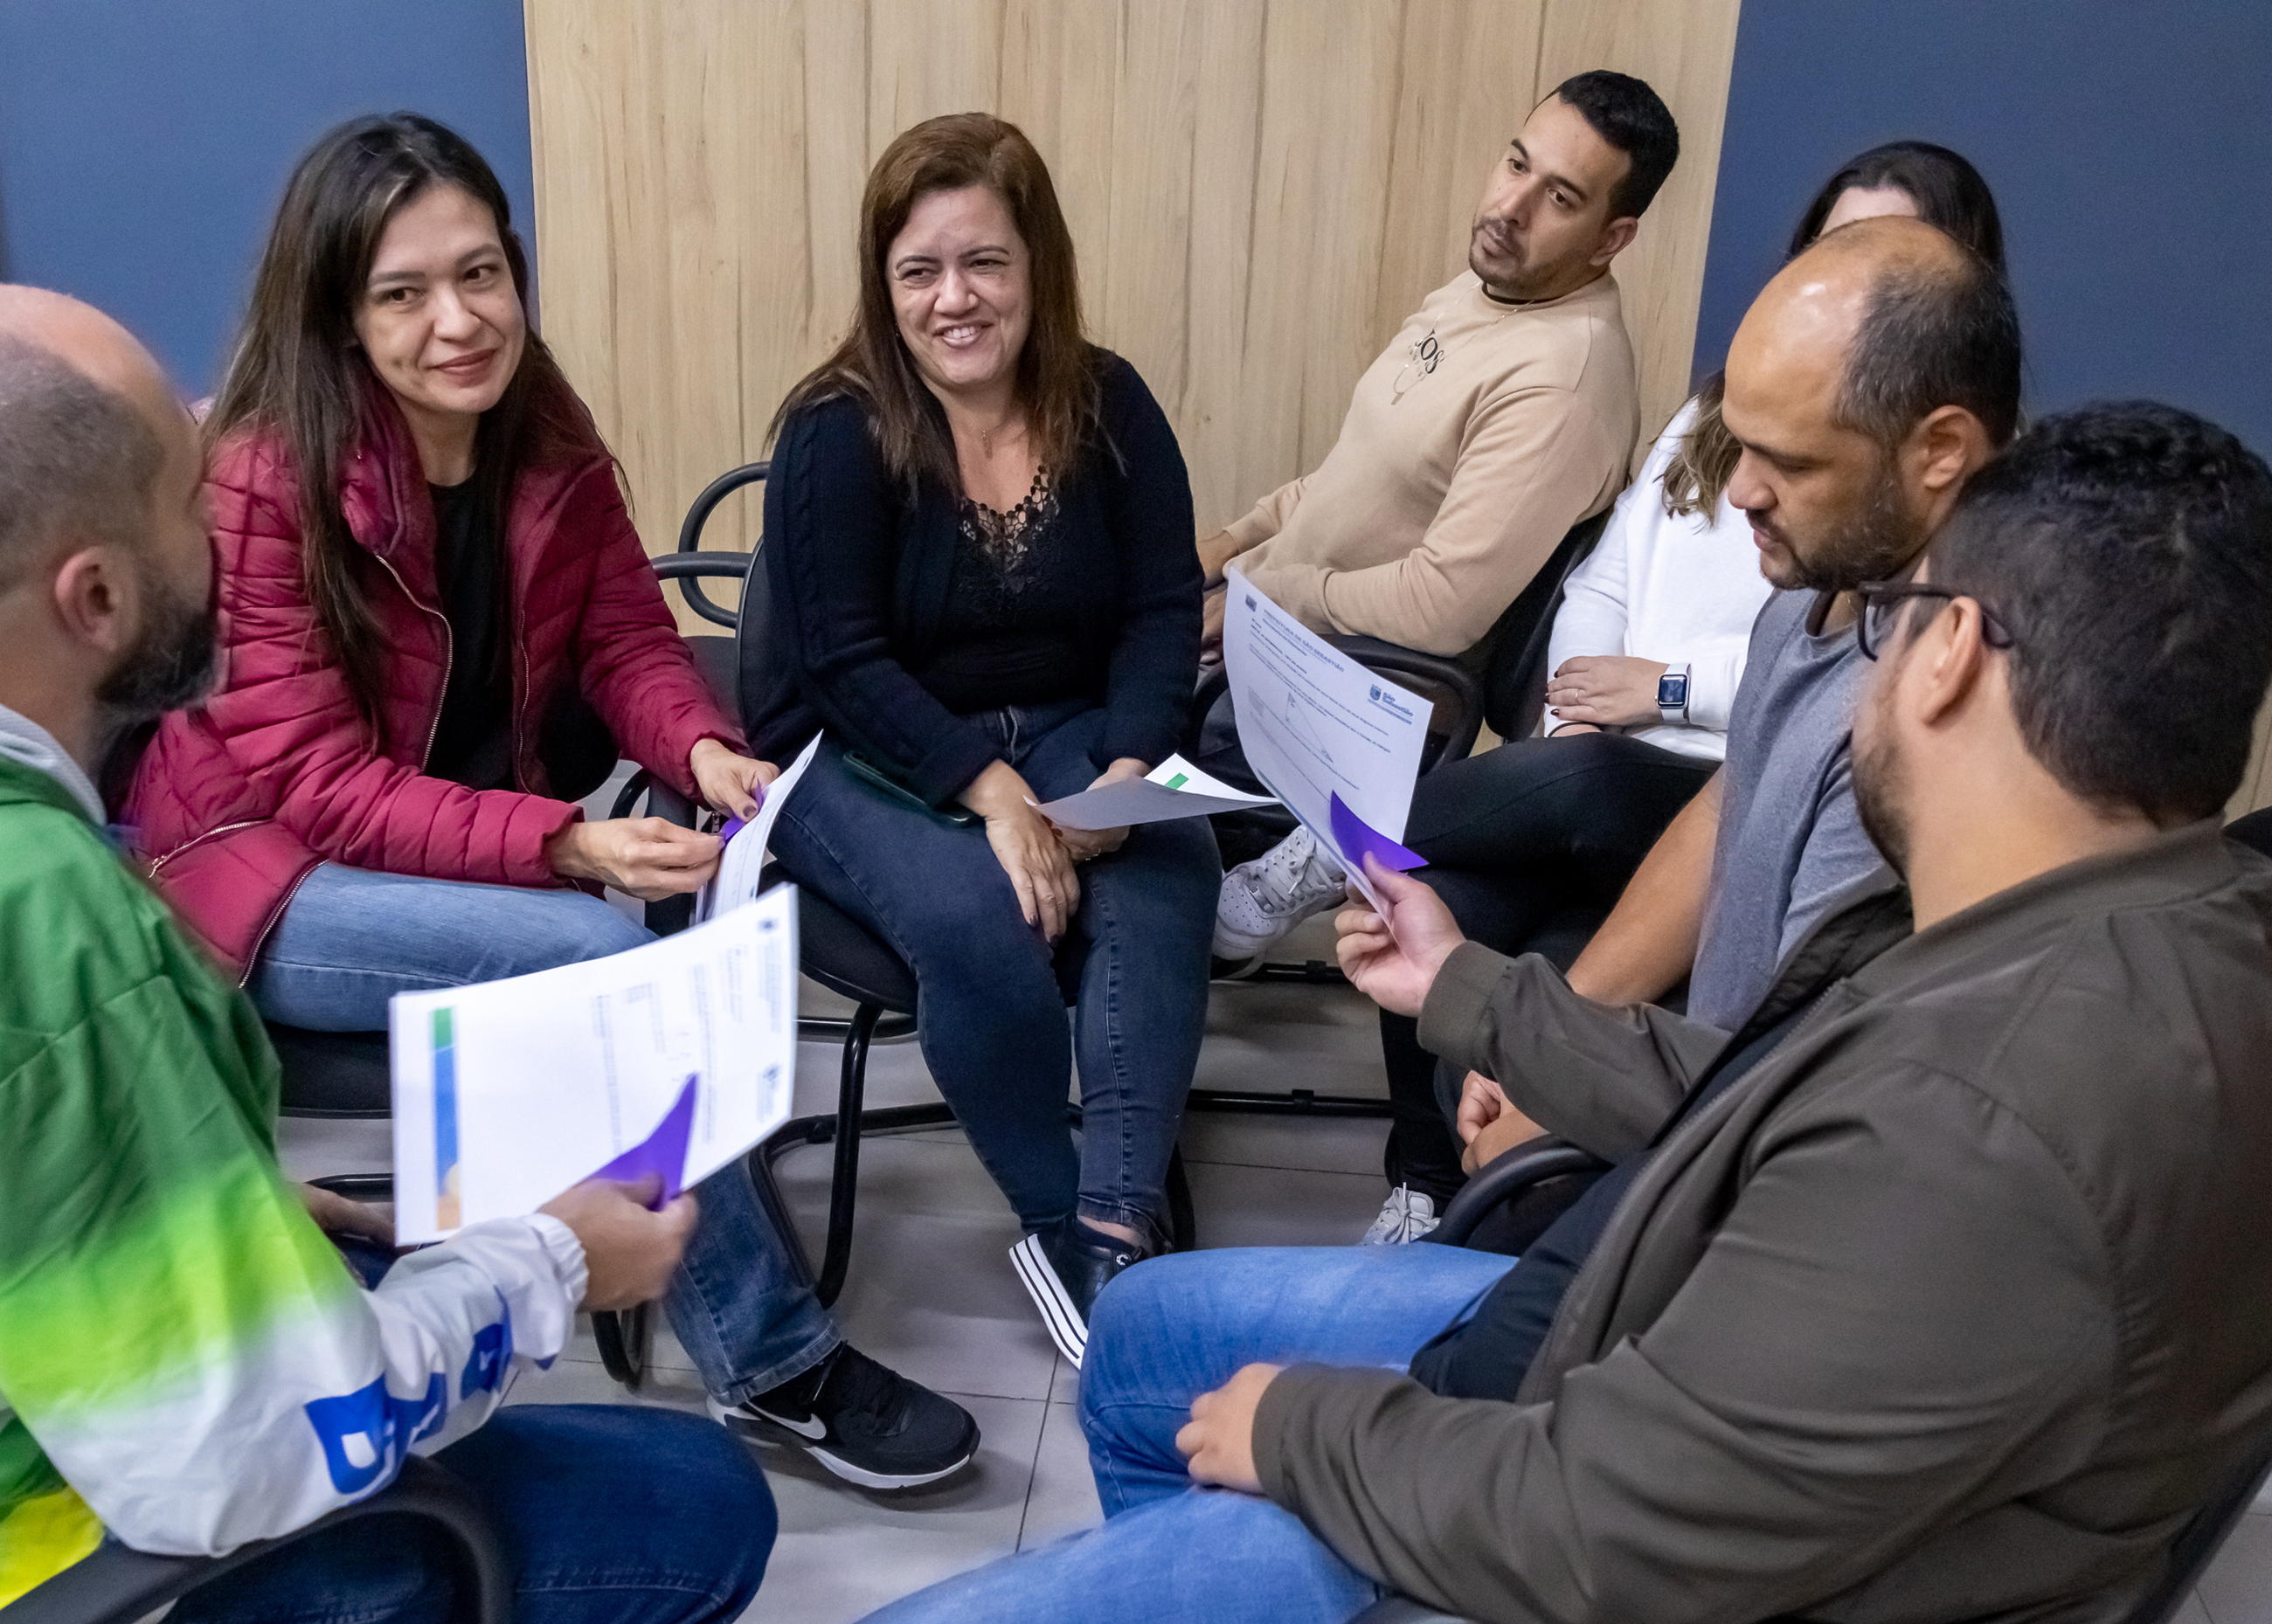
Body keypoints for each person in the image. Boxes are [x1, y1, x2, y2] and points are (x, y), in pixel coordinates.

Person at [794, 400, 2272, 1624]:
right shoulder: (2116, 937)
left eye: (1886, 621)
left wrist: (1301, 1429)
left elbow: (1597, 1529)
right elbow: (1761, 1110)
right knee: (1143, 1332)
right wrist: (1475, 993)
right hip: (1670, 1376)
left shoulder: (1993, 1119)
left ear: (1948, 655)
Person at [123, 114, 979, 1494]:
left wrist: (705, 750)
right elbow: (314, 787)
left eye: (481, 274)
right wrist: (563, 845)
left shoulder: (539, 425)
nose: (459, 321)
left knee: (643, 936)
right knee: (593, 958)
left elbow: (626, 637)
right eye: (403, 294)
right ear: (338, 315)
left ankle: (636, 1254)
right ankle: (774, 1365)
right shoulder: (266, 475)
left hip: (435, 839)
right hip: (260, 873)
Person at [0, 287, 773, 1624]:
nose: (215, 530)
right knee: (692, 1511)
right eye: (184, 501)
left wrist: (228, 1197)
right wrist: (553, 1258)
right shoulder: (58, 924)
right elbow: (261, 1453)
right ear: (95, 599)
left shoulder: (551, 449)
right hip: (61, 1610)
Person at [1341, 142, 2006, 1242]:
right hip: (1698, 1099)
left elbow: (1780, 1081)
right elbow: (1722, 814)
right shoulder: (1812, 593)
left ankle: (1332, 819)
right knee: (1478, 924)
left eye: (1785, 463)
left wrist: (1547, 1071)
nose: (1741, 491)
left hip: (1745, 1192)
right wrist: (1534, 1047)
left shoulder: (1937, 705)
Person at [748, 114, 1218, 1366]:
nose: (953, 299)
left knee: (1170, 857)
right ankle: (1055, 1218)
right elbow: (841, 662)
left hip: (1069, 722)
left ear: (1037, 265)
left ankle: (1113, 1233)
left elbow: (1161, 605)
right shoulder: (836, 429)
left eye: (984, 263)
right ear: (884, 284)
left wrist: (1128, 768)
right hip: (853, 743)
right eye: (919, 271)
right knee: (977, 915)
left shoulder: (1109, 402)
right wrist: (997, 795)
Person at [1188, 69, 1671, 835]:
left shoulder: (1560, 383)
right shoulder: (1484, 290)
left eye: (1559, 197)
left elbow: (1437, 607)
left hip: (1343, 711)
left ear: (1611, 239)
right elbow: (1362, 474)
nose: (1509, 208)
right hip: (1275, 649)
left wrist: (1261, 595)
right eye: (1517, 165)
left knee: (1092, 758)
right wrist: (1228, 545)